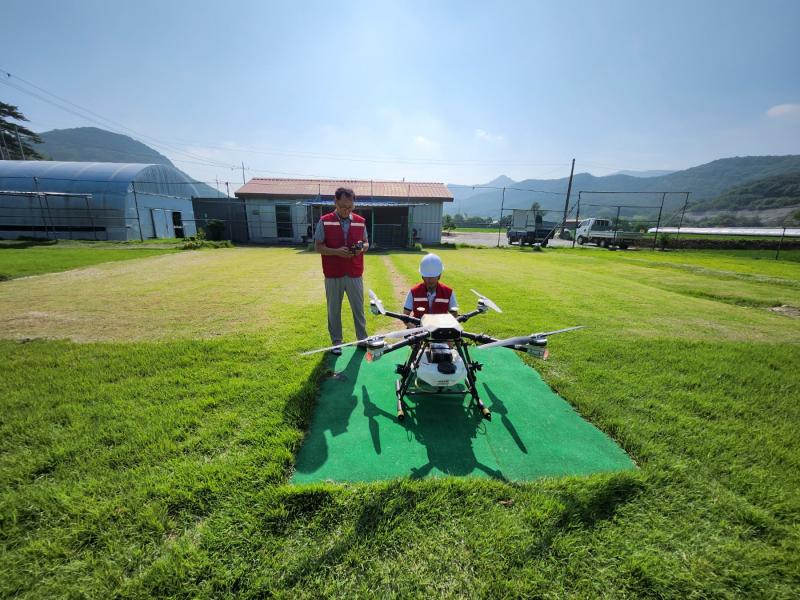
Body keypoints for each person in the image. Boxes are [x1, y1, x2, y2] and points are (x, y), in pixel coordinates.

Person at [314, 187, 370, 355]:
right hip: (333, 274)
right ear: (335, 202)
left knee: (358, 309)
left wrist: (361, 248)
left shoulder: (360, 221)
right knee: (334, 309)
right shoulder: (324, 220)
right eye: (343, 206)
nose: (347, 210)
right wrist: (336, 251)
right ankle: (336, 342)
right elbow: (318, 247)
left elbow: (366, 243)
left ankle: (362, 339)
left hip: (354, 273)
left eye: (350, 207)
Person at [403, 253, 457, 322]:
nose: (430, 280)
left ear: (439, 275)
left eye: (433, 277)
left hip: (440, 330)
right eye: (427, 277)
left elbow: (454, 316)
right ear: (422, 276)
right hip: (419, 330)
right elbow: (405, 315)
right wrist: (413, 328)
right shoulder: (413, 292)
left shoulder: (449, 292)